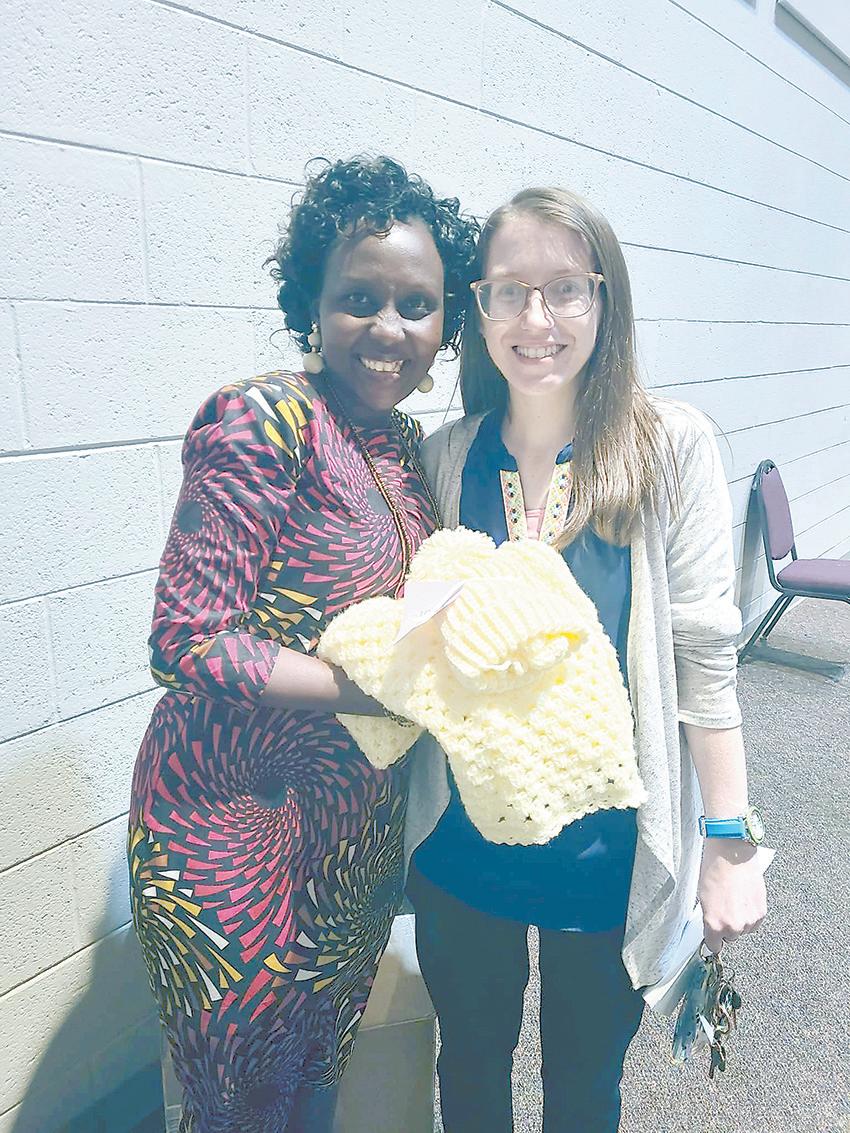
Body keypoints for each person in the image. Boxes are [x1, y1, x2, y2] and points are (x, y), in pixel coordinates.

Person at [404, 187, 768, 1133]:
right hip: (462, 844)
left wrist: (729, 842)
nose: (537, 320)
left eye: (566, 287)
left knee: (582, 1092)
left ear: (606, 298)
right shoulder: (444, 458)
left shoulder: (668, 448)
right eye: (509, 291)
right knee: (469, 1068)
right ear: (478, 308)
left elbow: (705, 660)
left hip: (608, 857)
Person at [127, 155, 478, 1133]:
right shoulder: (261, 417)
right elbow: (187, 640)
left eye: (415, 305)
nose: (387, 327)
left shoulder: (403, 446)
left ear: (444, 324)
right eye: (359, 298)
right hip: (228, 820)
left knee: (315, 1085)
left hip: (350, 833)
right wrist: (366, 689)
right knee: (239, 1105)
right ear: (312, 306)